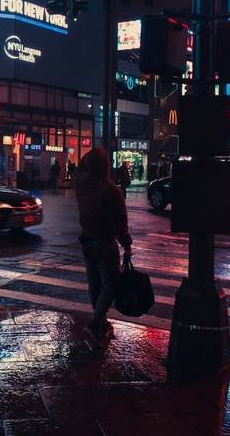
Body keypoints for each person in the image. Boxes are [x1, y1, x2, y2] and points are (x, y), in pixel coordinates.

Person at [74, 147, 132, 349]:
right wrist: (126, 244)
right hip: (104, 242)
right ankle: (96, 321)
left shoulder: (81, 186)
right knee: (112, 282)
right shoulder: (110, 190)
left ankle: (100, 323)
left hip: (87, 240)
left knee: (95, 283)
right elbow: (119, 223)